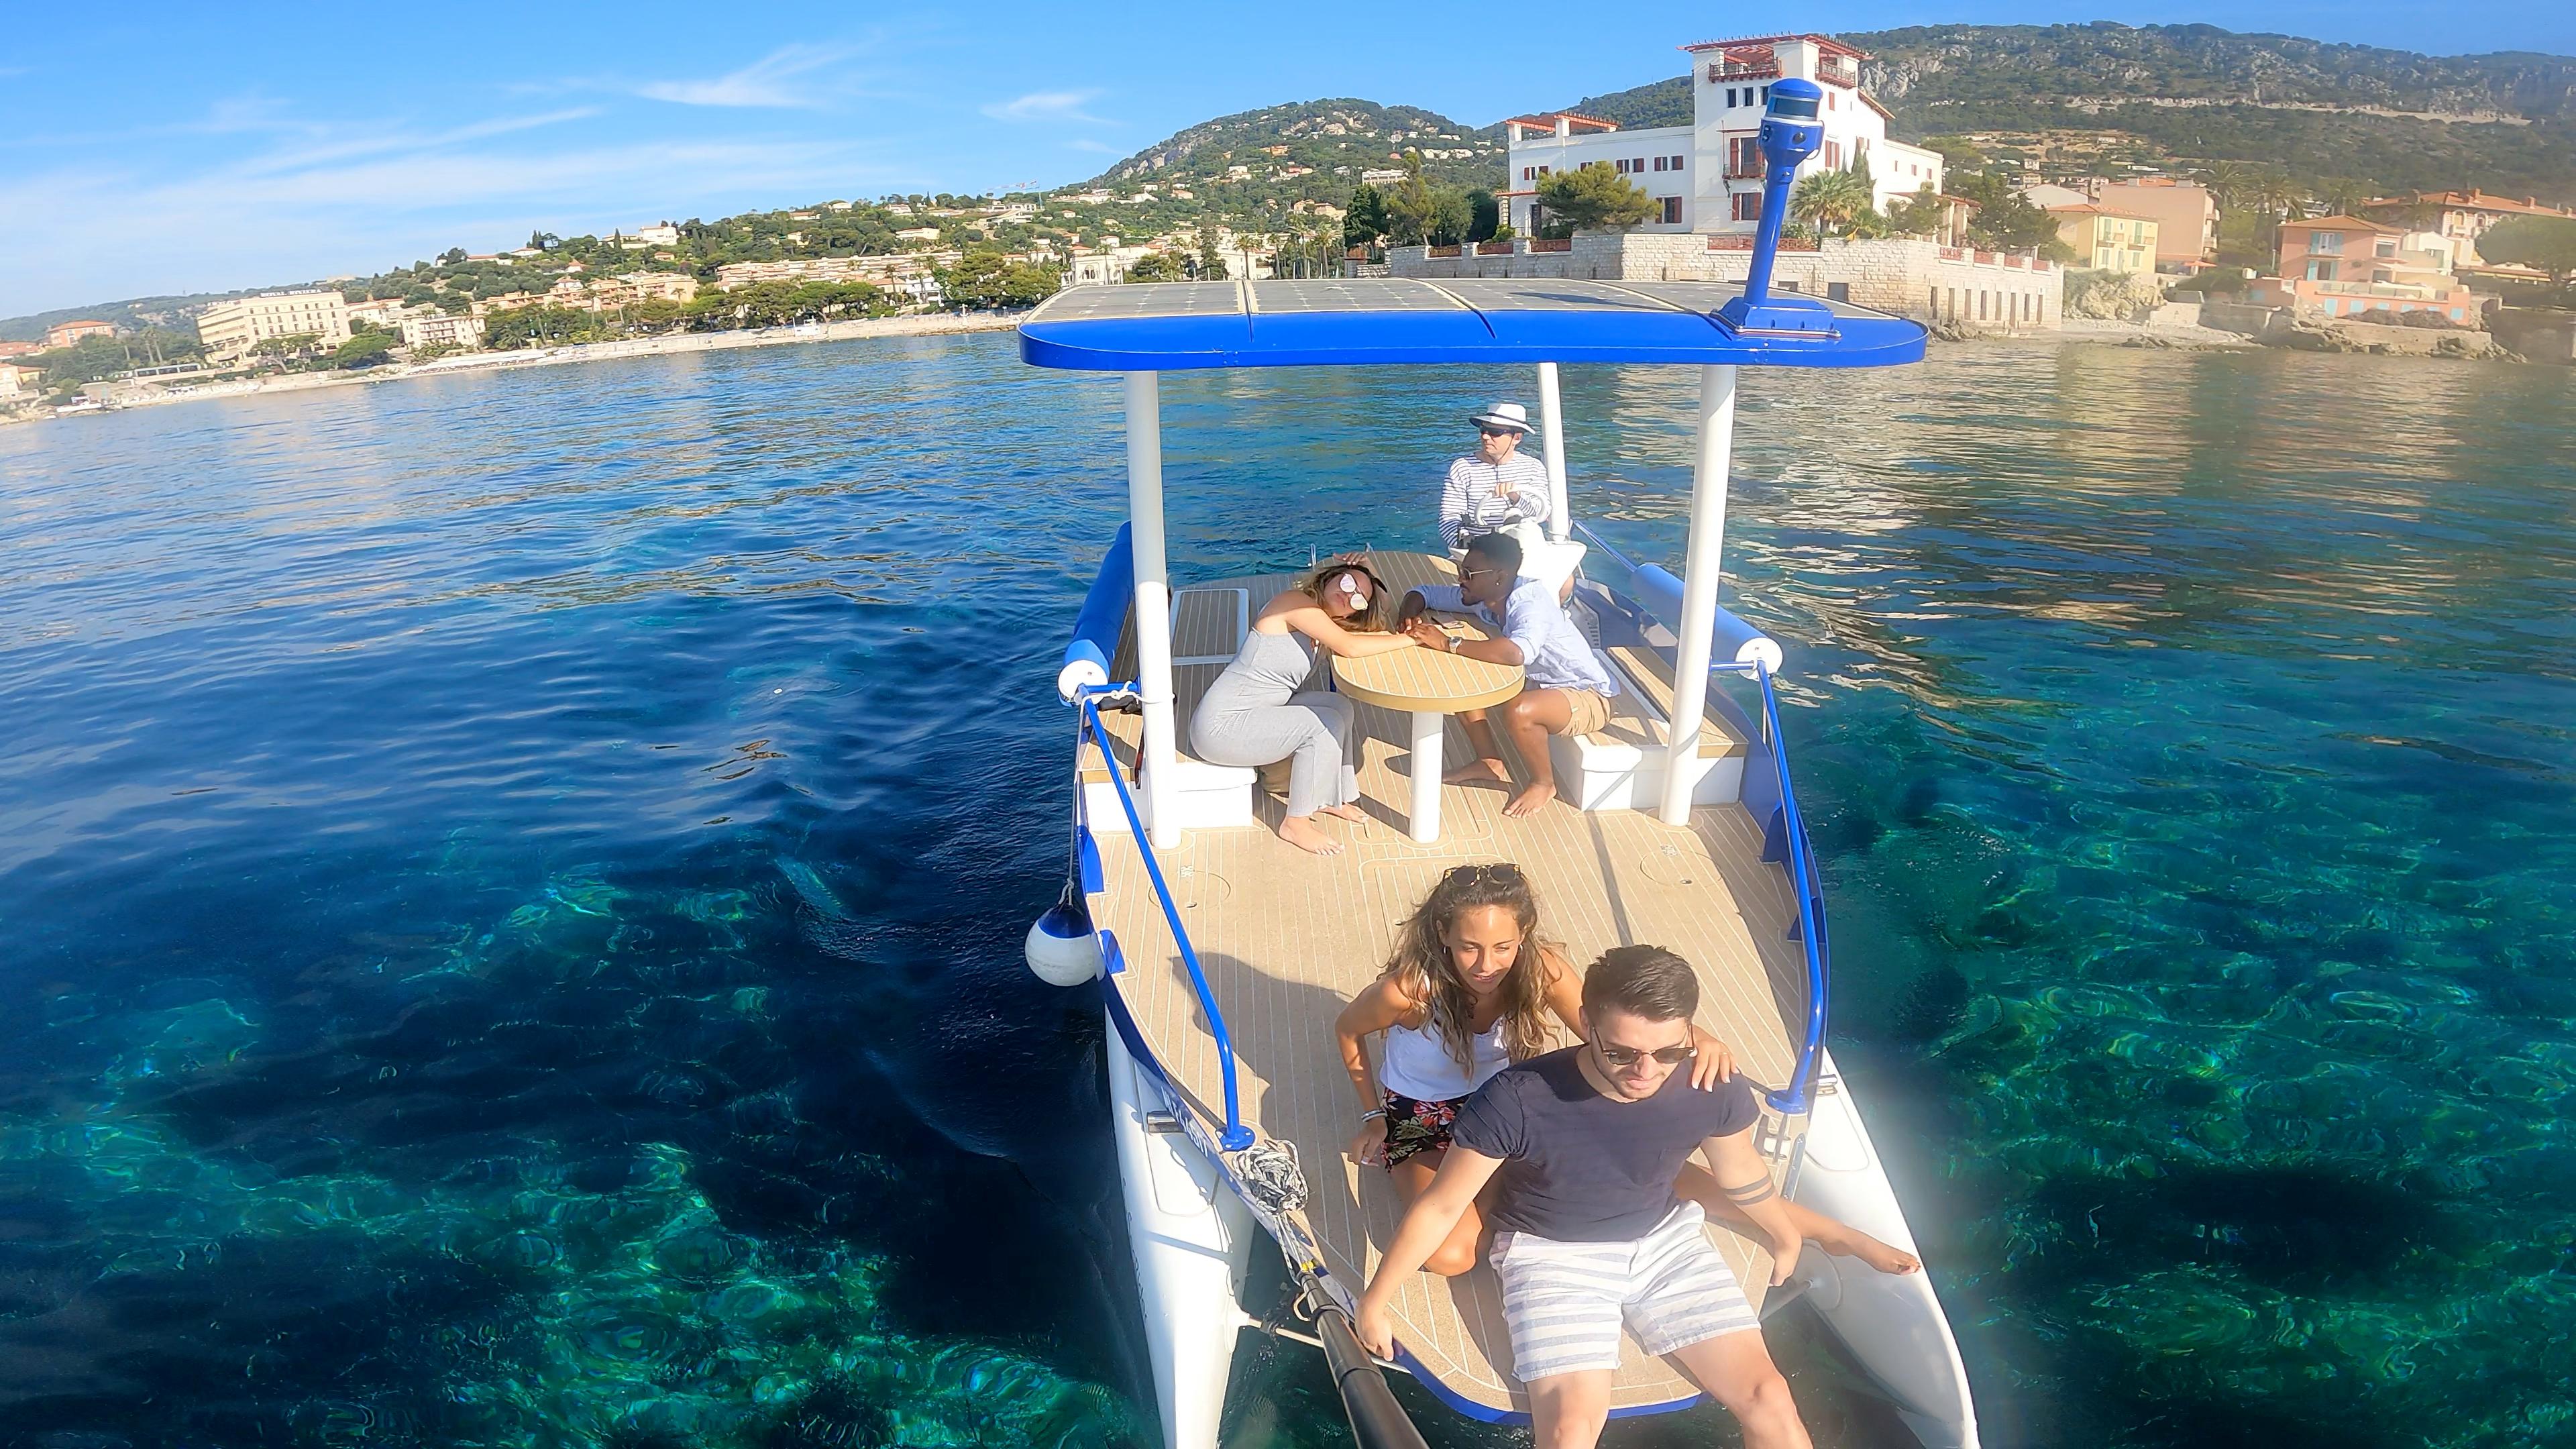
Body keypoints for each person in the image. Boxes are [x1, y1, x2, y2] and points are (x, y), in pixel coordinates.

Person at [1336, 863, 1919, 1279]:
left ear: (1524, 938)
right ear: (1443, 936)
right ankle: (1496, 1194)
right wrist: (1374, 1115)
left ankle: (1829, 1231)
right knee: (1452, 1256)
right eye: (1469, 948)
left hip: (1504, 1110)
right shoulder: (1409, 990)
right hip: (1425, 1119)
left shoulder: (1538, 969)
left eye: (1504, 947)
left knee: (1663, 1174)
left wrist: (1694, 1036)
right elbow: (1348, 1031)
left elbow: (1608, 1027)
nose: (1487, 965)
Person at [1356, 946, 1817, 1449]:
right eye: (1622, 1052)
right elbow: (1442, 1205)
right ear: (1584, 1022)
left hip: (1664, 1242)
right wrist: (1376, 1301)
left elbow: (1742, 1171)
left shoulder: (1709, 1081)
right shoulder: (1517, 1097)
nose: (1646, 1070)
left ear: (1689, 1033)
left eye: (1668, 1053)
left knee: (1770, 1397)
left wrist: (1784, 1232)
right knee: (1571, 1431)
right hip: (1551, 1254)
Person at [1190, 555, 1417, 856]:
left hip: (1258, 712)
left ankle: (1333, 798)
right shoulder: (1295, 602)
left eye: (1359, 599)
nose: (1349, 595)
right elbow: (1350, 647)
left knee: (1338, 707)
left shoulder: (1326, 620)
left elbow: (1383, 607)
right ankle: (1295, 824)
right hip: (1221, 727)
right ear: (1331, 576)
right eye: (1347, 582)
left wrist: (1369, 572)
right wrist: (1413, 640)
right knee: (1321, 726)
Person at [1397, 530, 1620, 818]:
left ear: (1499, 577)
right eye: (1460, 571)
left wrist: (1448, 643)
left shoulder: (1529, 604)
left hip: (1588, 695)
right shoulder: (1484, 596)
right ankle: (1489, 763)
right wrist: (1408, 614)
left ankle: (1544, 783)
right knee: (1465, 681)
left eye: (1468, 573)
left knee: (1520, 710)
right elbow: (1424, 593)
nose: (1460, 580)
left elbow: (1518, 653)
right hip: (1543, 686)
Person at [1439, 402, 1552, 558]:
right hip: (1477, 552)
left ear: (1517, 438)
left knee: (1566, 581)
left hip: (1526, 549)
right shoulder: (1462, 468)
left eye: (1495, 432)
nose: (1485, 436)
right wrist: (1465, 542)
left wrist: (1516, 497)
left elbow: (1542, 511)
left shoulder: (1534, 467)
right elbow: (1449, 517)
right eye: (1483, 430)